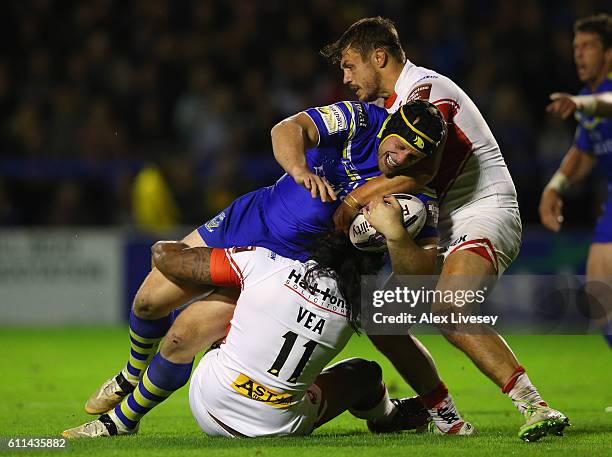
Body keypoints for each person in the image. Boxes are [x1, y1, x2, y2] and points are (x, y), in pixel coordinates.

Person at [63, 100, 471, 437]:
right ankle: (128, 375)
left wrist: (397, 236)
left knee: (188, 330)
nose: (398, 160)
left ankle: (123, 422)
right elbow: (286, 129)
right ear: (389, 129)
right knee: (149, 301)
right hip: (254, 219)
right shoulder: (364, 119)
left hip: (291, 263)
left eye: (412, 157)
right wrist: (299, 170)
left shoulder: (416, 197)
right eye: (398, 147)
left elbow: (419, 274)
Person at [321, 16, 569, 441]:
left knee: (451, 308)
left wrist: (353, 199)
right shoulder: (390, 107)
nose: (345, 78)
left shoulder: (426, 92)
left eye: (349, 65)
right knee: (382, 319)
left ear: (379, 57)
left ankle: (536, 406)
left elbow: (422, 170)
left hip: (484, 208)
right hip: (443, 219)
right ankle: (447, 418)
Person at [540, 14, 612, 347]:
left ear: (608, 53)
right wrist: (555, 187)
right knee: (600, 290)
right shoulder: (587, 96)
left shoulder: (593, 99)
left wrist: (581, 103)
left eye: (589, 46)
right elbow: (583, 153)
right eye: (576, 47)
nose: (579, 54)